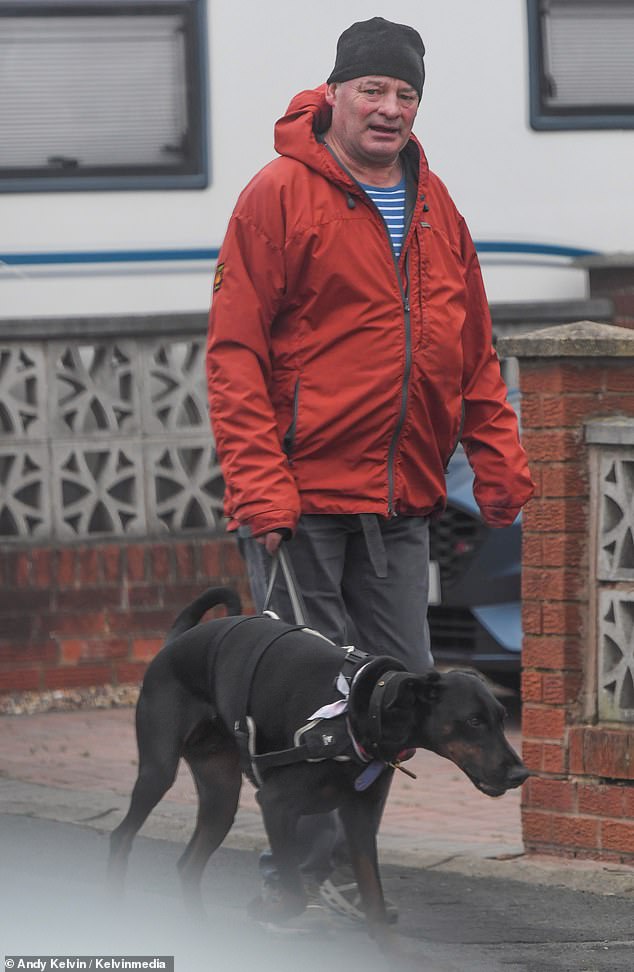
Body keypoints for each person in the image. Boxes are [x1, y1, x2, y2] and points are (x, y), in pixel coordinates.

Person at [207, 16, 534, 920]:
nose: (389, 108)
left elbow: (471, 348)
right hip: (300, 501)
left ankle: (344, 868)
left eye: (405, 93)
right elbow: (234, 353)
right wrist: (259, 482)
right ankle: (296, 881)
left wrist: (497, 459)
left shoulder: (435, 205)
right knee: (311, 703)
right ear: (337, 94)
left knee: (399, 700)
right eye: (373, 90)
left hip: (400, 505)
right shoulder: (277, 194)